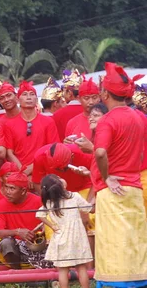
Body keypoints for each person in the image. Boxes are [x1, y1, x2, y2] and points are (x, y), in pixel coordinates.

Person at [92, 62, 147, 285]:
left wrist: (106, 176)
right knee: (134, 241)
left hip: (112, 190)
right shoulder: (138, 118)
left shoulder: (108, 120)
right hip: (134, 188)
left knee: (113, 244)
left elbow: (101, 152)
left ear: (105, 93)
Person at [37, 175, 92, 288]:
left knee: (62, 271)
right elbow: (89, 209)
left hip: (60, 238)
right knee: (81, 268)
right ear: (60, 185)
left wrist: (52, 226)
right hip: (78, 238)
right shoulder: (75, 197)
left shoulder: (49, 203)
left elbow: (39, 215)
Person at [0, 172, 50, 269]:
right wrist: (18, 232)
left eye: (12, 188)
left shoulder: (38, 201)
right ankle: (17, 273)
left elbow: (52, 221)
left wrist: (46, 227)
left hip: (37, 245)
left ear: (23, 191)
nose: (7, 191)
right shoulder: (0, 204)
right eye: (6, 187)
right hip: (16, 248)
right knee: (6, 243)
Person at [2, 81, 59, 175]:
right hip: (19, 175)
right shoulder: (9, 125)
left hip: (43, 173)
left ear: (36, 100)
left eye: (32, 94)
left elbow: (53, 150)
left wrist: (32, 169)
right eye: (24, 94)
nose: (28, 97)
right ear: (17, 100)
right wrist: (23, 171)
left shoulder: (48, 122)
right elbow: (9, 153)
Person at [64, 77, 100, 143]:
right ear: (79, 99)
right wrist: (66, 145)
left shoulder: (106, 119)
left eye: (94, 97)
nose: (91, 102)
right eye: (86, 98)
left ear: (99, 98)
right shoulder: (72, 123)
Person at [53, 69, 83, 140]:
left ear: (69, 93)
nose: (63, 95)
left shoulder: (57, 115)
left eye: (64, 92)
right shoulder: (92, 110)